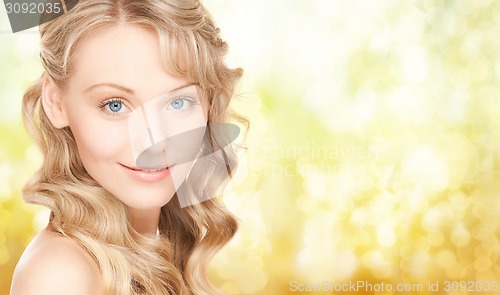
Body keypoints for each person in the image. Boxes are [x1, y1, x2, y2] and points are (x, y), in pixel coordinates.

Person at [10, 0, 244, 294]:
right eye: (115, 105)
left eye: (178, 102)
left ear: (209, 104)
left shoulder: (157, 249)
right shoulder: (61, 274)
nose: (152, 142)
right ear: (56, 102)